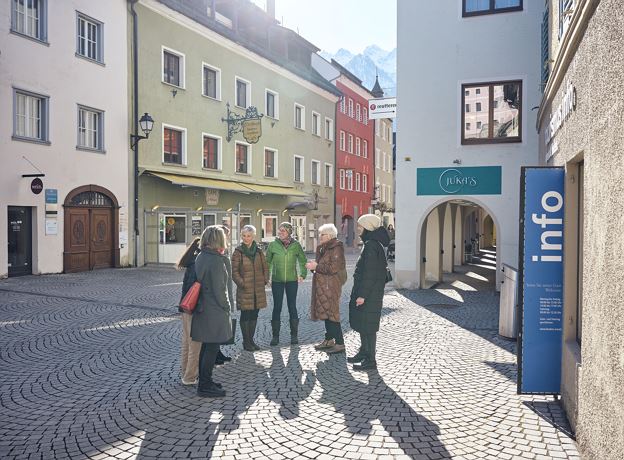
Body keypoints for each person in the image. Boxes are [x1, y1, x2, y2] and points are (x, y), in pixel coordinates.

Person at [191, 225, 234, 397]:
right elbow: (220, 289)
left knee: (206, 348)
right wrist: (227, 306)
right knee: (211, 348)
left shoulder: (202, 255)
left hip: (203, 308)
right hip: (214, 310)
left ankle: (205, 381)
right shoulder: (216, 259)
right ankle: (205, 385)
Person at [348, 214, 390, 371]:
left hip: (369, 295)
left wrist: (362, 295)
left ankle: (370, 360)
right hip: (370, 293)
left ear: (367, 227)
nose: (358, 228)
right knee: (363, 324)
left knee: (369, 328)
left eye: (360, 226)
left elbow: (370, 274)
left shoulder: (372, 245)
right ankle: (364, 353)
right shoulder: (371, 243)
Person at [306, 224, 347, 354]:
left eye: (322, 234)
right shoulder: (324, 248)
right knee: (326, 313)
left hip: (331, 286)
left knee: (332, 314)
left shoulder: (336, 248)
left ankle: (340, 343)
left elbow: (333, 268)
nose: (320, 237)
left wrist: (316, 266)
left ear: (329, 235)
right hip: (324, 286)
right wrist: (314, 268)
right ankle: (329, 340)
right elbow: (323, 267)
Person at [266, 222, 307, 345]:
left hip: (292, 281)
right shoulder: (273, 245)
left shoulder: (296, 245)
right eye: (279, 230)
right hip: (277, 280)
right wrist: (267, 277)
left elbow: (302, 260)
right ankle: (275, 336)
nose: (280, 233)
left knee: (292, 306)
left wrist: (302, 274)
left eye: (283, 231)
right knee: (277, 307)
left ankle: (294, 336)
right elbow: (267, 262)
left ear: (289, 232)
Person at [231, 225, 269, 351]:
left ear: (253, 236)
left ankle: (251, 341)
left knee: (254, 315)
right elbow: (234, 272)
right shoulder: (238, 252)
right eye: (244, 236)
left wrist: (264, 280)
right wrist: (243, 283)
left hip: (257, 289)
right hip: (245, 289)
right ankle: (246, 342)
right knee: (245, 315)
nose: (246, 238)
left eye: (249, 236)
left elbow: (265, 267)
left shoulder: (258, 252)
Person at [176, 237, 202, 385]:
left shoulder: (192, 258)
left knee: (186, 342)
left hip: (185, 306)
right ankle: (190, 377)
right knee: (195, 344)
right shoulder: (199, 261)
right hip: (194, 308)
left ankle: (184, 372)